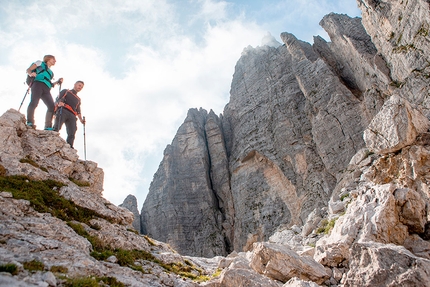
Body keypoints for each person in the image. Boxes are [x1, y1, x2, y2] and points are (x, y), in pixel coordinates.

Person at [26, 55, 63, 130]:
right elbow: (29, 70)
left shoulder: (51, 73)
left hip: (46, 88)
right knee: (34, 102)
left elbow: (51, 83)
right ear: (48, 59)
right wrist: (31, 74)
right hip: (37, 84)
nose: (55, 61)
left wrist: (58, 82)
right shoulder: (40, 63)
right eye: (53, 59)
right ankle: (30, 122)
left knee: (51, 106)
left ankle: (48, 126)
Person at [53, 81, 86, 149]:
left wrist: (81, 120)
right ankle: (52, 138)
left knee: (72, 132)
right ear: (74, 84)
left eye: (81, 87)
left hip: (72, 115)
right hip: (63, 109)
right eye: (79, 85)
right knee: (57, 126)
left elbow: (78, 111)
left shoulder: (78, 99)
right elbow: (58, 99)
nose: (80, 87)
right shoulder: (66, 91)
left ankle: (69, 146)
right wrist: (59, 103)